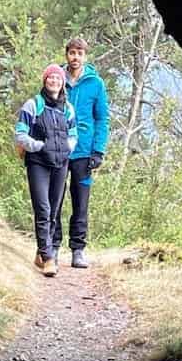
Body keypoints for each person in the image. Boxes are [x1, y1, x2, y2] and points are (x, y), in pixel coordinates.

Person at [14, 64, 77, 277]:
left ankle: (42, 252)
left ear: (62, 83)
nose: (54, 81)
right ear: (45, 80)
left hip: (60, 163)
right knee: (43, 209)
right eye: (50, 78)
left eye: (58, 78)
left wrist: (66, 148)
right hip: (38, 163)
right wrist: (40, 147)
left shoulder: (68, 108)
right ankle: (49, 258)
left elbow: (74, 134)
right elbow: (20, 134)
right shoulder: (33, 105)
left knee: (54, 211)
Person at [58, 36, 109, 268]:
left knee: (80, 203)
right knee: (53, 200)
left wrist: (98, 151)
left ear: (85, 56)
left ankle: (78, 250)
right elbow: (42, 108)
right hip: (57, 149)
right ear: (66, 54)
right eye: (72, 52)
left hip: (83, 151)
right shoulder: (55, 77)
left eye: (79, 53)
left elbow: (102, 118)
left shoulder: (95, 83)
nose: (75, 57)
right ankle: (52, 247)